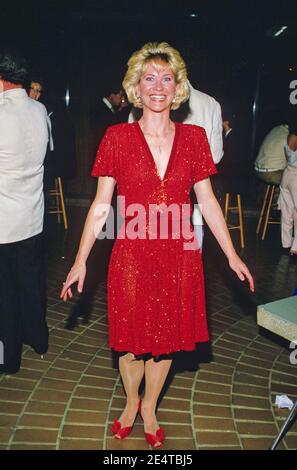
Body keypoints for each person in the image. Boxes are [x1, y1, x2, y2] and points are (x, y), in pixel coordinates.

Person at [60, 42, 254, 448]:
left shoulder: (196, 137)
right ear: (135, 86)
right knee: (130, 343)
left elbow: (208, 202)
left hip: (179, 256)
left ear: (178, 87)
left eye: (167, 78)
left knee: (165, 341)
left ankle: (150, 407)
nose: (158, 86)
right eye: (149, 78)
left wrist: (232, 254)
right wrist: (80, 261)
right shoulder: (116, 137)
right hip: (130, 255)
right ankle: (131, 402)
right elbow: (99, 206)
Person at [128, 81, 224, 249]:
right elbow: (215, 156)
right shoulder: (210, 103)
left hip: (142, 217)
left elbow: (131, 158)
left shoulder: (145, 102)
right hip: (191, 213)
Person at [0, 51, 49, 374]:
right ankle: (39, 338)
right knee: (30, 281)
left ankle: (8, 359)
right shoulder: (39, 108)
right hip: (33, 213)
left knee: (3, 293)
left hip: (4, 219)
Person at [278, 127, 297, 255]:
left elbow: (288, 154)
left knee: (287, 211)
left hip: (287, 173)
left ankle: (286, 244)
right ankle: (295, 248)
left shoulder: (291, 136)